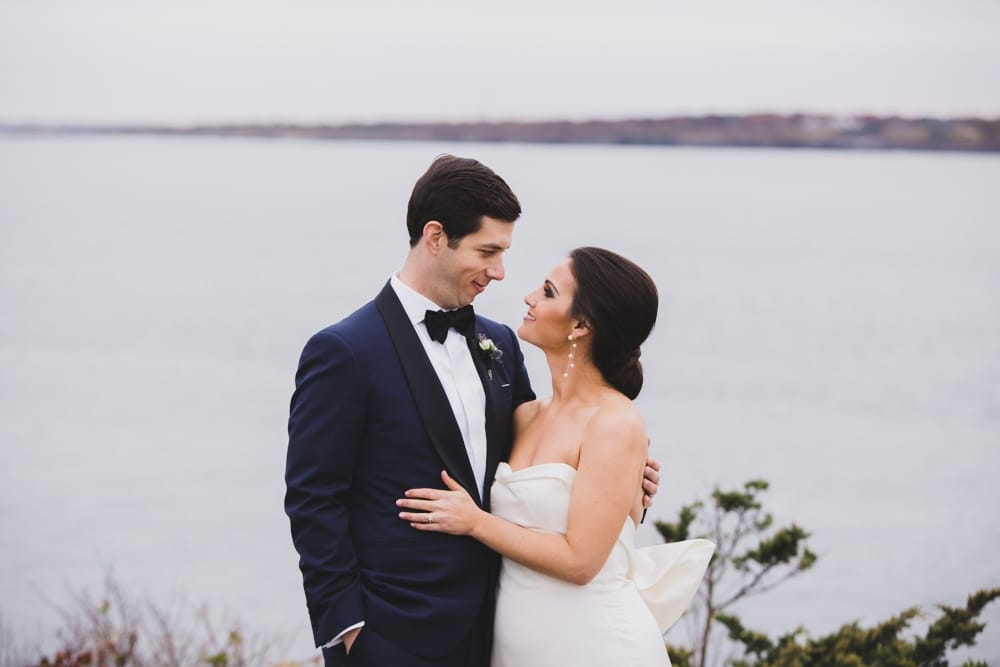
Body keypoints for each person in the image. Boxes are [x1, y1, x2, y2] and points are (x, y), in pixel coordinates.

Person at [284, 156, 661, 667]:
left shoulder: (500, 343)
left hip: (498, 631)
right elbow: (313, 499)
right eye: (487, 252)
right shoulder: (345, 351)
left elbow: (537, 473)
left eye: (504, 253)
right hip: (392, 637)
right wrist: (350, 634)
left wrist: (622, 484)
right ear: (435, 237)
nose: (500, 272)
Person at [397, 247, 715, 666]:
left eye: (548, 292)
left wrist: (475, 522)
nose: (529, 296)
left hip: (596, 647)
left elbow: (581, 561)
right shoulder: (525, 415)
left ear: (581, 325)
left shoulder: (615, 421)